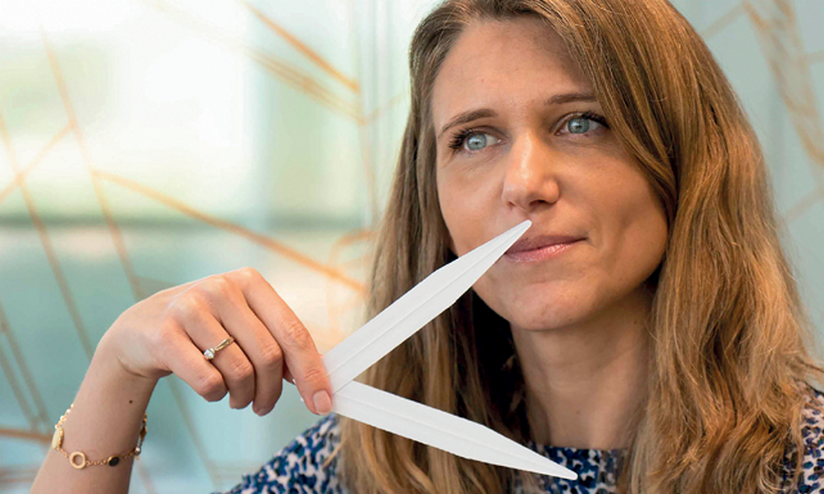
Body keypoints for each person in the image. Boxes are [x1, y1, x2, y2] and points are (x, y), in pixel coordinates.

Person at [30, 0, 824, 493]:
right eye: (474, 138)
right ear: (434, 196)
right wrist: (117, 374)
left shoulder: (806, 462)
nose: (524, 182)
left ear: (683, 160)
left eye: (581, 121)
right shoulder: (377, 466)